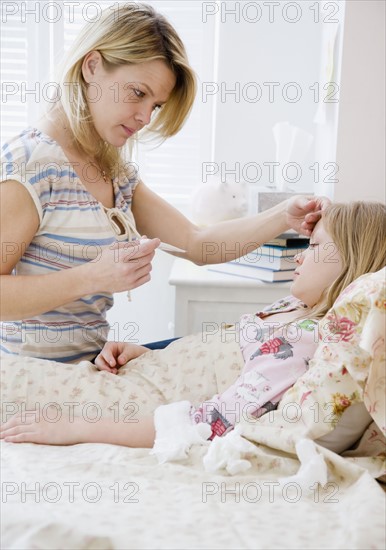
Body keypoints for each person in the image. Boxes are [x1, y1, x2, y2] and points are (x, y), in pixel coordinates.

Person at [0, 3, 327, 364]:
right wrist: (92, 277)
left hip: (87, 376)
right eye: (139, 93)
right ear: (91, 66)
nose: (145, 118)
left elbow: (197, 244)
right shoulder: (30, 164)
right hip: (27, 388)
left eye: (155, 106)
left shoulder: (114, 173)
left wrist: (285, 215)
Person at [1, 201, 385, 448]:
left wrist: (77, 428)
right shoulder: (297, 309)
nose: (300, 258)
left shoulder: (304, 343)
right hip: (141, 371)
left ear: (352, 263)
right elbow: (224, 346)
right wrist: (151, 351)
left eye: (314, 247)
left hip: (136, 402)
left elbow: (210, 422)